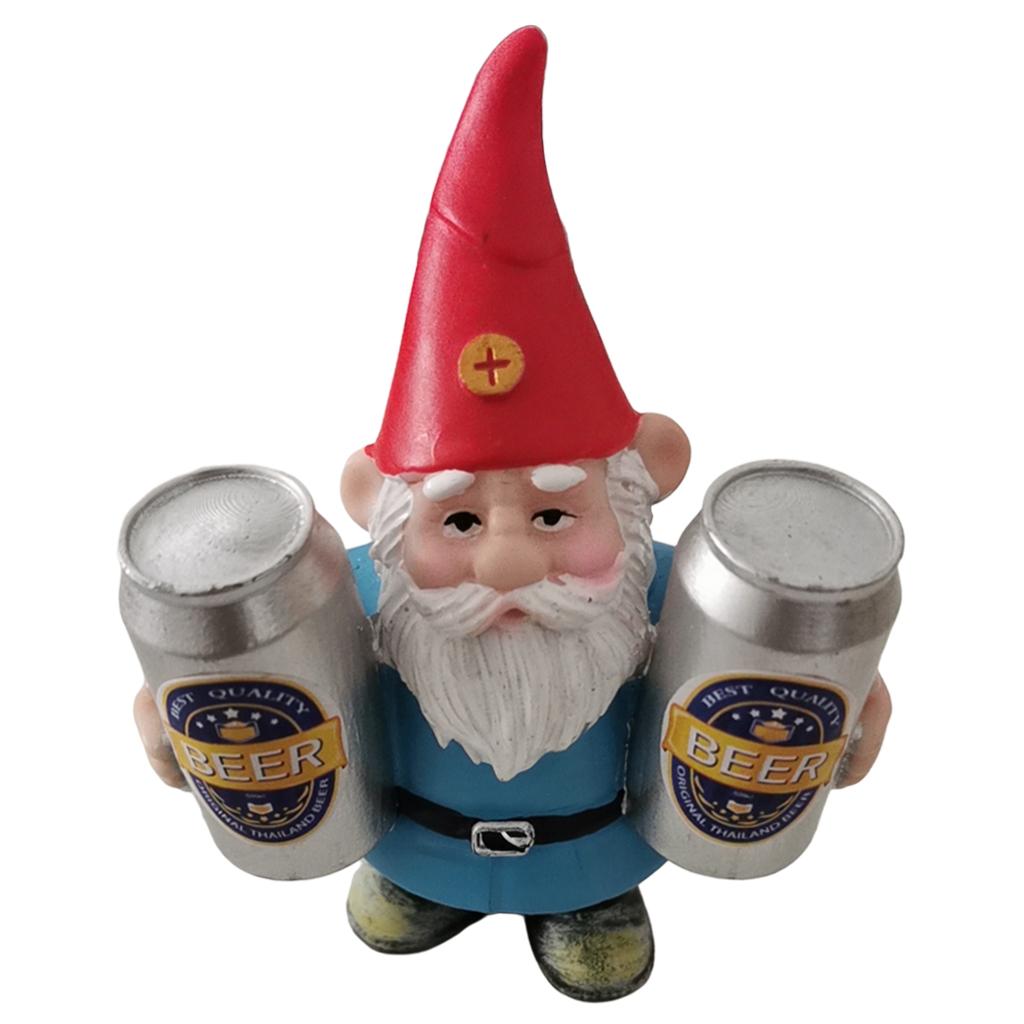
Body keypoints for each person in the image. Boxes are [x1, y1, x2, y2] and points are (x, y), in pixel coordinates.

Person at [133, 26, 893, 1002]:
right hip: (412, 839)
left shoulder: (680, 598)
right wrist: (164, 712)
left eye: (551, 517)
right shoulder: (343, 596)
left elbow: (775, 679)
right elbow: (245, 684)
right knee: (397, 895)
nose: (505, 564)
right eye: (457, 523)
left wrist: (854, 701)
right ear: (376, 504)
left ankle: (585, 906)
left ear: (646, 479)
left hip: (595, 850)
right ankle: (425, 886)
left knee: (595, 914)